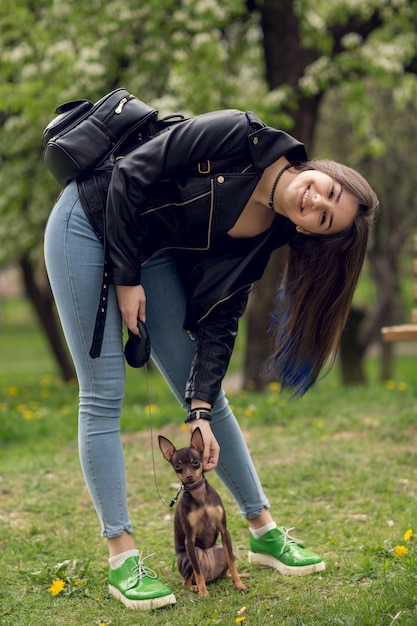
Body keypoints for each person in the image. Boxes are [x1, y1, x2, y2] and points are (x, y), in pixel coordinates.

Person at [44, 107, 379, 611]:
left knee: (207, 397)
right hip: (88, 220)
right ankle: (123, 559)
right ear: (322, 170)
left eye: (324, 217)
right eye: (325, 190)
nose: (314, 201)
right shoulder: (238, 134)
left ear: (312, 233)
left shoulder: (268, 235)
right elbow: (132, 173)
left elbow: (221, 320)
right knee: (102, 392)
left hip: (148, 248)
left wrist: (198, 407)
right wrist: (127, 279)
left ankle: (263, 531)